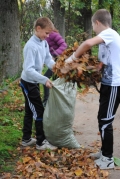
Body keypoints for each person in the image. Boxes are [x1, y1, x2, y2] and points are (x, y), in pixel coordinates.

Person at [65, 9, 120, 169]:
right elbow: (101, 65)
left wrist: (72, 59)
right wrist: (86, 69)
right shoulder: (105, 42)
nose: (93, 29)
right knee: (101, 118)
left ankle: (108, 159)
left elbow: (87, 43)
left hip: (115, 85)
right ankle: (104, 152)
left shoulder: (110, 33)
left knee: (105, 121)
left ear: (97, 23)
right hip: (107, 84)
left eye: (92, 25)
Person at [20, 17, 57, 150]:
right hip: (28, 83)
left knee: (30, 110)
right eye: (46, 33)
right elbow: (28, 69)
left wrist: (57, 68)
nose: (47, 36)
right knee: (39, 111)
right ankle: (41, 142)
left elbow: (48, 59)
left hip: (34, 82)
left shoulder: (43, 42)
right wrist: (45, 80)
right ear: (38, 29)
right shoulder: (31, 46)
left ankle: (26, 139)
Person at [43, 29, 67, 106]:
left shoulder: (53, 34)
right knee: (53, 80)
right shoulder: (43, 37)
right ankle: (52, 101)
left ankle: (47, 101)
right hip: (52, 61)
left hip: (59, 60)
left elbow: (64, 45)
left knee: (47, 78)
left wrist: (54, 55)